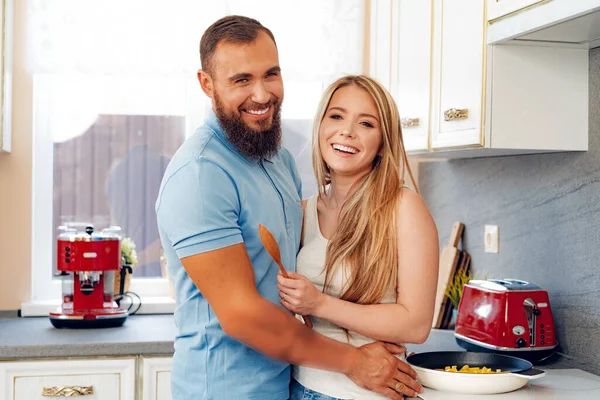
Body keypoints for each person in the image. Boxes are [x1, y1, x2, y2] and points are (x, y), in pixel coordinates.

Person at [155, 16, 423, 400]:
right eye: (241, 80)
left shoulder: (276, 158)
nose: (262, 95)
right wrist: (354, 360)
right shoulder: (199, 175)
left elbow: (285, 282)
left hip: (288, 383)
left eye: (271, 74)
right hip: (222, 389)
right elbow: (245, 316)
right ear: (207, 84)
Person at [277, 75, 439, 399]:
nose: (347, 131)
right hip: (299, 387)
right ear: (320, 126)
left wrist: (318, 303)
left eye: (366, 123)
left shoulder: (403, 207)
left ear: (383, 142)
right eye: (336, 116)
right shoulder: (302, 211)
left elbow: (416, 325)